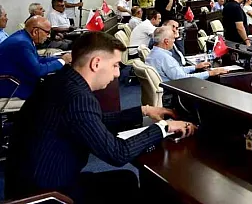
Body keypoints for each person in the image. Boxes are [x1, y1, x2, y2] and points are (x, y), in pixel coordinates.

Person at [5, 31, 196, 203]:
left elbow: (92, 122)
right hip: (48, 194)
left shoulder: (61, 81)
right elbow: (118, 154)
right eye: (115, 65)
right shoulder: (78, 98)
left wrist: (143, 111)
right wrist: (164, 128)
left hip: (29, 181)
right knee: (126, 184)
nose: (117, 73)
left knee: (125, 180)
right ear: (96, 63)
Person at [0, 16, 72, 99]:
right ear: (35, 31)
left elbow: (37, 60)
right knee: (59, 91)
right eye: (47, 32)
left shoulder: (23, 37)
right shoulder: (22, 44)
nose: (48, 36)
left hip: (16, 79)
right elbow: (38, 71)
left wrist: (60, 58)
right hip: (12, 86)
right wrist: (62, 61)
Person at [146, 27, 227, 82]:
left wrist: (195, 67)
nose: (174, 41)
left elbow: (176, 71)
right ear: (166, 41)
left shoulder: (153, 53)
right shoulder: (165, 58)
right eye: (173, 38)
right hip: (172, 94)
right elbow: (182, 78)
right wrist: (209, 73)